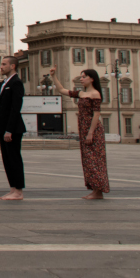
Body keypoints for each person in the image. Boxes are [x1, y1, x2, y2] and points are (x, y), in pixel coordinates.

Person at [49, 66, 110, 199]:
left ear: (92, 79)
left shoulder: (95, 94)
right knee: (88, 161)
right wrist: (53, 76)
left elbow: (96, 115)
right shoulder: (81, 94)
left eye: (84, 77)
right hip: (84, 129)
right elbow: (62, 90)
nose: (81, 79)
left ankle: (98, 191)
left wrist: (90, 133)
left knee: (95, 161)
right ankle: (94, 189)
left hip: (92, 130)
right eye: (81, 77)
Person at [0, 54, 26, 200]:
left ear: (12, 66)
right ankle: (13, 188)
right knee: (7, 159)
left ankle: (18, 191)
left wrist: (9, 129)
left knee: (14, 158)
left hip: (12, 129)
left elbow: (16, 108)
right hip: (4, 128)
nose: (1, 67)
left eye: (3, 64)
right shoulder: (5, 83)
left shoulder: (16, 83)